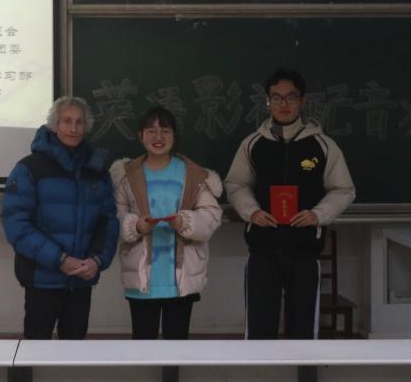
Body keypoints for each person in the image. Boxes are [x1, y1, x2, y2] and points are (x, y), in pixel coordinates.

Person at [225, 68, 355, 339]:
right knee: (260, 332)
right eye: (276, 97)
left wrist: (318, 215)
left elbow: (344, 189)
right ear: (268, 101)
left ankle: (302, 369)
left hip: (305, 252)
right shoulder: (253, 144)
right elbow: (236, 185)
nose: (283, 104)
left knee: (303, 333)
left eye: (291, 97)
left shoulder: (323, 145)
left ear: (302, 101)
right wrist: (252, 212)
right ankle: (262, 369)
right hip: (262, 251)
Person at [1, 96, 119, 339]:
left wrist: (97, 260)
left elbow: (108, 221)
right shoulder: (29, 168)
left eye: (79, 122)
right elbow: (17, 226)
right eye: (67, 121)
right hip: (41, 278)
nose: (74, 128)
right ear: (55, 125)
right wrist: (60, 259)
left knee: (74, 351)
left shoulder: (96, 171)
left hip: (81, 280)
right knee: (36, 350)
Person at [111, 106, 222, 340]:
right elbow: (113, 217)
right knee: (143, 346)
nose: (158, 137)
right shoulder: (127, 175)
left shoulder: (192, 174)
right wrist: (135, 226)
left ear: (174, 135)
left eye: (165, 131)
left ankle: (173, 370)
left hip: (181, 281)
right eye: (151, 131)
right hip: (142, 281)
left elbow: (212, 215)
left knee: (177, 346)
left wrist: (185, 222)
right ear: (140, 135)